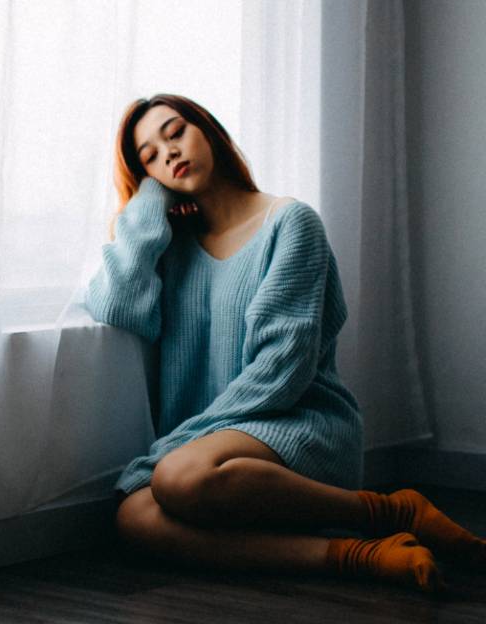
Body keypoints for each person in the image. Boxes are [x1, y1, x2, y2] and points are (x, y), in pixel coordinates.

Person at [85, 93, 485, 593]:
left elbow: (283, 369)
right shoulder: (173, 246)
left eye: (176, 131)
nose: (168, 152)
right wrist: (147, 202)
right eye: (149, 156)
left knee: (174, 478)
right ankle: (355, 556)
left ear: (208, 130)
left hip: (296, 422)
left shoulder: (290, 223)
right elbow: (116, 304)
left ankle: (391, 509)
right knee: (134, 519)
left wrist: (177, 448)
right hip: (211, 457)